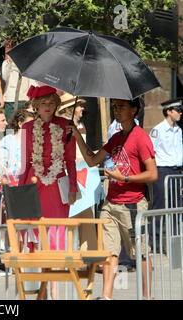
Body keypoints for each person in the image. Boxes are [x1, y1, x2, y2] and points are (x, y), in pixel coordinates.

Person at [67, 97, 158, 300]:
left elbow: (153, 174)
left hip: (133, 203)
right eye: (114, 106)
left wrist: (123, 177)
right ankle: (107, 295)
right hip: (111, 202)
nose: (116, 110)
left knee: (140, 252)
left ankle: (147, 296)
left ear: (134, 110)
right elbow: (91, 160)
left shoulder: (141, 137)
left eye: (121, 106)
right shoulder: (117, 137)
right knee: (110, 252)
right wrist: (76, 136)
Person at [19, 85, 78, 299]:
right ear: (35, 105)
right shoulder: (26, 128)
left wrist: (73, 186)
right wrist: (20, 193)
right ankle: (40, 292)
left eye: (52, 103)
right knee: (34, 237)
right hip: (34, 185)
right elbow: (24, 164)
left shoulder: (66, 125)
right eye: (43, 103)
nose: (48, 107)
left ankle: (54, 292)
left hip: (56, 187)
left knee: (55, 237)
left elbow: (70, 161)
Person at [56, 93, 100, 251]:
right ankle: (70, 254)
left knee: (87, 213)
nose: (82, 108)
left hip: (85, 174)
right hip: (71, 174)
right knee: (72, 214)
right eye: (80, 105)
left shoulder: (80, 125)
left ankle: (90, 254)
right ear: (70, 108)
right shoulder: (63, 127)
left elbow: (82, 151)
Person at [149, 99, 182, 251]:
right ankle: (155, 243)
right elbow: (151, 152)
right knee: (159, 207)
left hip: (177, 171)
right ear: (169, 111)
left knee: (176, 207)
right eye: (178, 110)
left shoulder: (179, 130)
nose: (181, 113)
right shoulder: (158, 130)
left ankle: (174, 243)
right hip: (162, 171)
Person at [2, 40, 37, 121]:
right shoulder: (6, 63)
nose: (7, 50)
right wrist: (10, 62)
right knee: (10, 125)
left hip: (24, 99)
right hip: (10, 99)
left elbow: (33, 82)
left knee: (23, 125)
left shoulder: (28, 62)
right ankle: (9, 134)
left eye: (10, 47)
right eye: (6, 47)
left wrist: (32, 99)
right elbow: (5, 77)